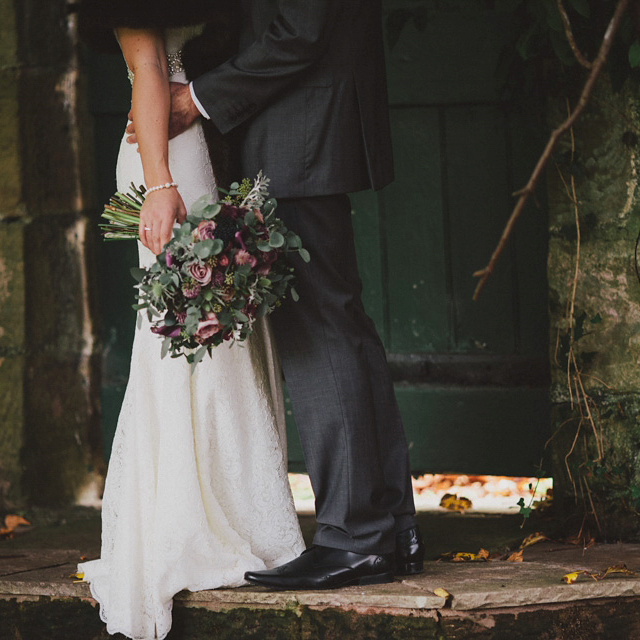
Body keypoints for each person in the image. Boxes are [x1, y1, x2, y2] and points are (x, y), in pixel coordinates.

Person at [149, 0, 425, 590]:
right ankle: (389, 528)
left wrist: (198, 98)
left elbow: (301, 29)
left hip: (301, 125)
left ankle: (357, 535)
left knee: (319, 328)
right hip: (307, 122)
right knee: (339, 320)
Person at [76, 3, 305, 638]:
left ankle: (238, 506)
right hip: (166, 159)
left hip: (185, 151)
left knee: (217, 330)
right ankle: (189, 515)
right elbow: (147, 68)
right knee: (185, 335)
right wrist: (158, 183)